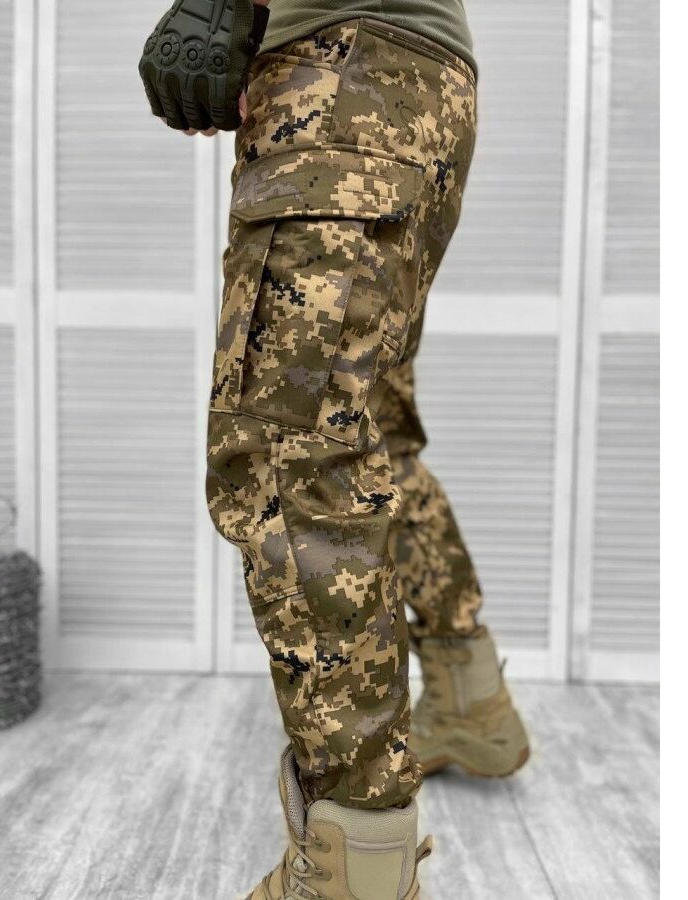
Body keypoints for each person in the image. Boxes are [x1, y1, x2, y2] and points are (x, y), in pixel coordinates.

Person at [139, 2, 529, 896]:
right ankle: (470, 699)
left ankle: (360, 861)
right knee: (363, 430)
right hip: (420, 85)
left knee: (292, 460)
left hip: (341, 77)